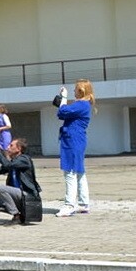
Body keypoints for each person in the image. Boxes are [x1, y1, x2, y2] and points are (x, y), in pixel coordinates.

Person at [53, 79, 93, 216]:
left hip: (72, 140)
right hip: (78, 139)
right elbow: (64, 111)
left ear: (80, 91)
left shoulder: (81, 105)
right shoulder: (84, 105)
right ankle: (83, 203)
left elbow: (61, 112)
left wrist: (63, 97)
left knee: (70, 171)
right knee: (79, 172)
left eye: (75, 89)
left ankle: (69, 205)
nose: (74, 91)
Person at [0, 137, 40, 223]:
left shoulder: (24, 159)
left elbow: (8, 165)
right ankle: (21, 213)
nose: (8, 148)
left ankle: (16, 215)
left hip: (26, 195)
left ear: (19, 148)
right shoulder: (14, 162)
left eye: (11, 146)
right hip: (17, 196)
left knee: (1, 188)